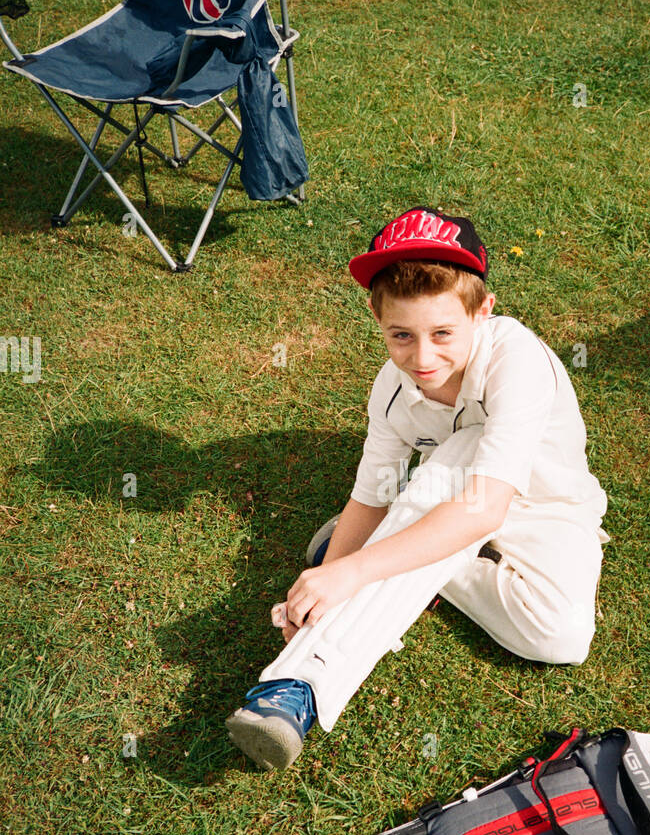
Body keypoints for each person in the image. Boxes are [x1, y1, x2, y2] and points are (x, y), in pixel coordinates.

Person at [226, 206, 609, 771]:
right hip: (455, 493)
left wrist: (352, 568)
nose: (422, 358)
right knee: (459, 461)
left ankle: (411, 553)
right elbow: (370, 497)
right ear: (377, 318)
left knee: (561, 638)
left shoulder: (517, 360)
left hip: (545, 508)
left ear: (484, 312)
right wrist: (329, 585)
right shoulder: (391, 387)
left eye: (443, 333)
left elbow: (485, 507)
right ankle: (295, 689)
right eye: (401, 335)